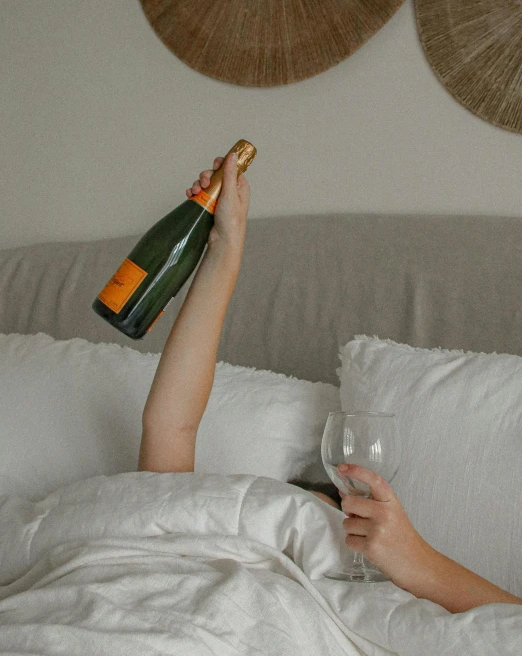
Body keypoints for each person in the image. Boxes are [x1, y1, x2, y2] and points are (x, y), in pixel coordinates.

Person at [138, 152, 522, 616]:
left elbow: (505, 636)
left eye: (318, 519)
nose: (296, 527)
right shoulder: (198, 545)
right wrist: (224, 250)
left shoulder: (378, 593)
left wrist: (413, 558)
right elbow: (170, 427)